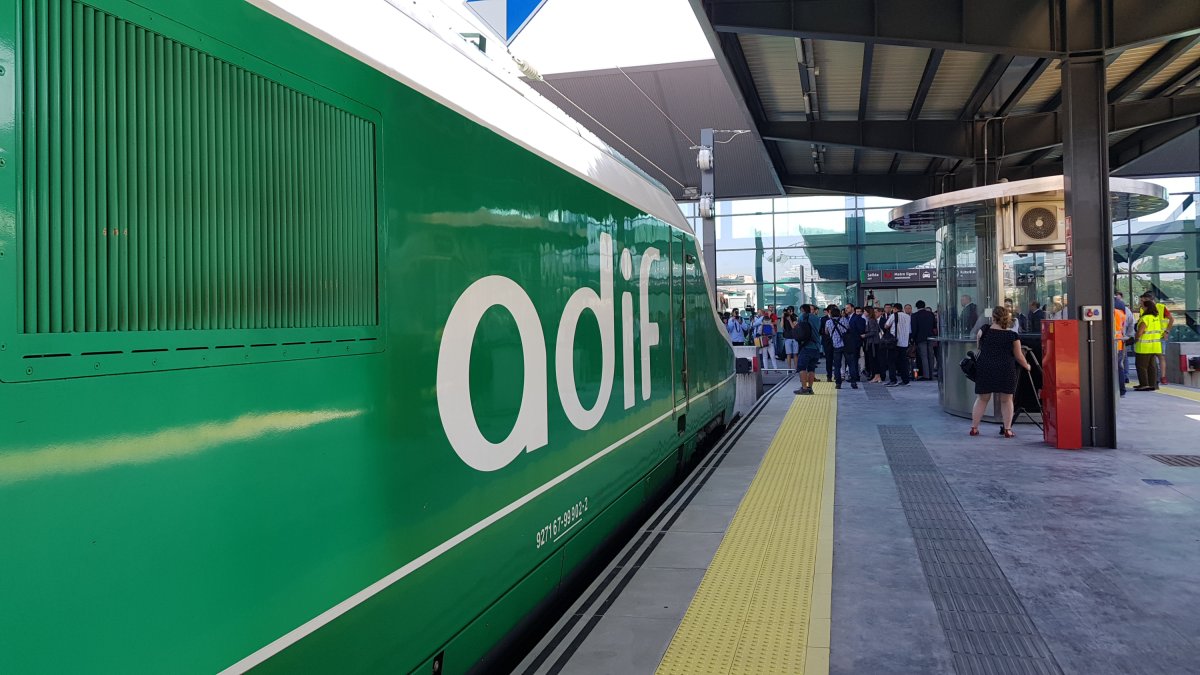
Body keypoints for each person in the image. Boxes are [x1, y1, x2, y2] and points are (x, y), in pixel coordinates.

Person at [969, 306, 1033, 438]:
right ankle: (1008, 430)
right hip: (1005, 367)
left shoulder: (984, 330)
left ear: (993, 317)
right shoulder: (1012, 335)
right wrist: (1027, 366)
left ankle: (974, 428)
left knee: (982, 399)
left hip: (985, 366)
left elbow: (978, 346)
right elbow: (1019, 356)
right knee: (1006, 399)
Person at [1139, 291, 1173, 385]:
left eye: (1145, 300)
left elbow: (1171, 319)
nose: (1142, 302)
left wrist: (1167, 331)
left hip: (1160, 336)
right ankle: (1155, 378)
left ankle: (1163, 377)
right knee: (1152, 358)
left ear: (1151, 300)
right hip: (1149, 337)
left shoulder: (1161, 307)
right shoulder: (1142, 309)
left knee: (1160, 356)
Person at [1133, 299, 1166, 391]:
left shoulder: (1145, 318)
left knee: (1141, 366)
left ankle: (1144, 384)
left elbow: (1140, 332)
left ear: (1147, 307)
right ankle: (1153, 384)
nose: (1141, 308)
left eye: (1142, 306)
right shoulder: (1156, 318)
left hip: (1144, 347)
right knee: (1152, 366)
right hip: (1155, 346)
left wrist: (1135, 339)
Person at [794, 304, 823, 396]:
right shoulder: (817, 319)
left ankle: (804, 388)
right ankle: (810, 388)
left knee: (802, 368)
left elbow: (799, 330)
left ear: (802, 310)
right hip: (817, 346)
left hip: (807, 346)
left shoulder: (803, 317)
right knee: (812, 368)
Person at [885, 303, 912, 387]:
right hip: (904, 342)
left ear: (895, 309)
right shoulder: (908, 317)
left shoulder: (894, 315)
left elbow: (886, 325)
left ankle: (893, 380)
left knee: (891, 361)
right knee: (903, 362)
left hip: (895, 342)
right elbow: (910, 330)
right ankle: (905, 380)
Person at [911, 300, 937, 381]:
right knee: (931, 356)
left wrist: (913, 338)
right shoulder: (931, 314)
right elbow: (934, 326)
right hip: (930, 337)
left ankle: (926, 375)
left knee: (924, 356)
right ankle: (932, 374)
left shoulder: (915, 315)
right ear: (924, 305)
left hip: (920, 338)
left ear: (917, 306)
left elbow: (914, 328)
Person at [863, 307, 883, 383]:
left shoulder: (871, 321)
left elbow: (873, 332)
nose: (864, 313)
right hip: (874, 342)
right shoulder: (873, 320)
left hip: (873, 343)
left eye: (865, 311)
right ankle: (877, 376)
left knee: (873, 360)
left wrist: (865, 335)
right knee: (875, 360)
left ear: (868, 312)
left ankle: (877, 376)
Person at [782, 307, 800, 371]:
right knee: (788, 354)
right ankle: (789, 368)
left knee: (795, 353)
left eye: (789, 311)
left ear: (792, 311)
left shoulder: (795, 317)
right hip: (787, 337)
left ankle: (796, 368)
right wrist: (782, 317)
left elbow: (793, 327)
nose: (788, 312)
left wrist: (790, 320)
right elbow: (782, 326)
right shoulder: (785, 317)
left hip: (794, 337)